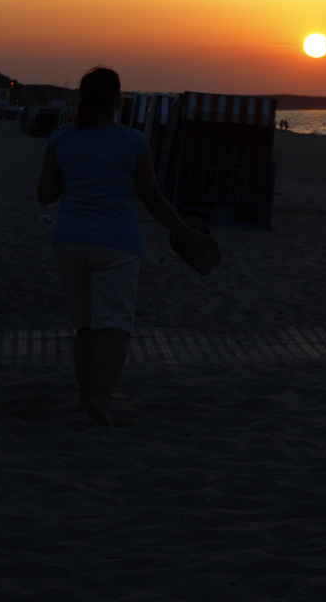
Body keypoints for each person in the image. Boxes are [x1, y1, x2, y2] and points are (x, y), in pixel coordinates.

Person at [37, 67, 216, 427]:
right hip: (116, 244)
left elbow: (45, 195)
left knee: (85, 326)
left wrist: (77, 176)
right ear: (118, 98)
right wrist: (187, 234)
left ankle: (85, 396)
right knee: (116, 324)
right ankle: (101, 402)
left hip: (69, 241)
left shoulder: (61, 138)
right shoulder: (134, 142)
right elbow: (154, 201)